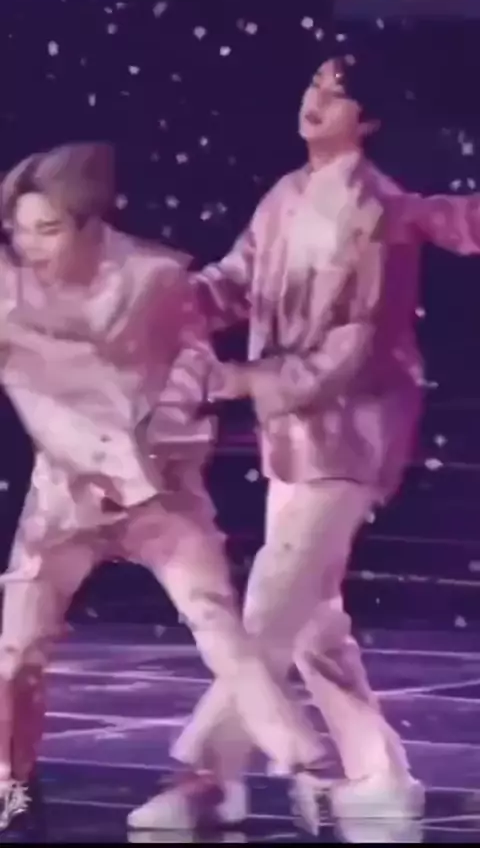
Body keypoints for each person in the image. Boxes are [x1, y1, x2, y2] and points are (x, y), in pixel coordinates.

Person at [129, 56, 480, 834]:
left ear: (369, 120)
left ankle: (206, 775)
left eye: (336, 94)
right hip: (292, 435)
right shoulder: (286, 195)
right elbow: (232, 283)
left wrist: (243, 380)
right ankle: (379, 774)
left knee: (272, 602)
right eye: (314, 85)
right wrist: (155, 301)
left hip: (354, 433)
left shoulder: (373, 210)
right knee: (313, 617)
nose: (315, 101)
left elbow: (350, 349)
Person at [0, 142, 331, 832]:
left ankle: (303, 766)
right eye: (18, 231)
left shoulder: (153, 279)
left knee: (218, 626)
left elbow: (196, 365)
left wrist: (169, 435)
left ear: (90, 224)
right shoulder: (8, 291)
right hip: (63, 499)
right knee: (16, 652)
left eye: (47, 230)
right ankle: (12, 782)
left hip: (159, 493)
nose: (29, 246)